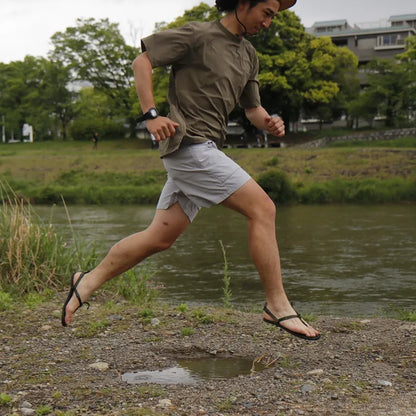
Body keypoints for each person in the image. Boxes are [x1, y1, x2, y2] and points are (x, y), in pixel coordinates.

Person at [61, 0, 320, 341]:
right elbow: (143, 61)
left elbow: (252, 109)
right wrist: (151, 115)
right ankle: (278, 305)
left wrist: (269, 122)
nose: (269, 22)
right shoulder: (198, 34)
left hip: (205, 148)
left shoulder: (249, 55)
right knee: (263, 209)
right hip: (188, 146)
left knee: (160, 237)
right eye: (267, 12)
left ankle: (87, 281)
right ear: (243, 3)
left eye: (274, 16)